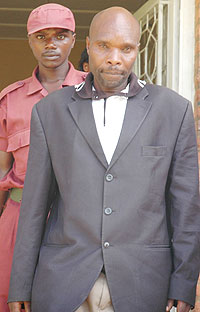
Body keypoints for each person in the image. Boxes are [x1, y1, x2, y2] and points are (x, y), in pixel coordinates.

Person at [8, 6, 200, 312]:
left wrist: (184, 284)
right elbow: (34, 207)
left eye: (126, 49)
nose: (114, 58)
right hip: (63, 283)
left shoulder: (173, 111)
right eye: (103, 46)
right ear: (87, 45)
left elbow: (186, 209)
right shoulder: (50, 112)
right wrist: (19, 285)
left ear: (138, 49)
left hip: (143, 283)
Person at [0, 3, 87, 312]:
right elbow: (1, 174)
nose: (51, 44)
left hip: (77, 222)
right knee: (10, 299)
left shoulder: (95, 94)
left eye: (60, 35)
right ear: (30, 41)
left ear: (74, 40)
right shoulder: (10, 100)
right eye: (41, 36)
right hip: (18, 216)